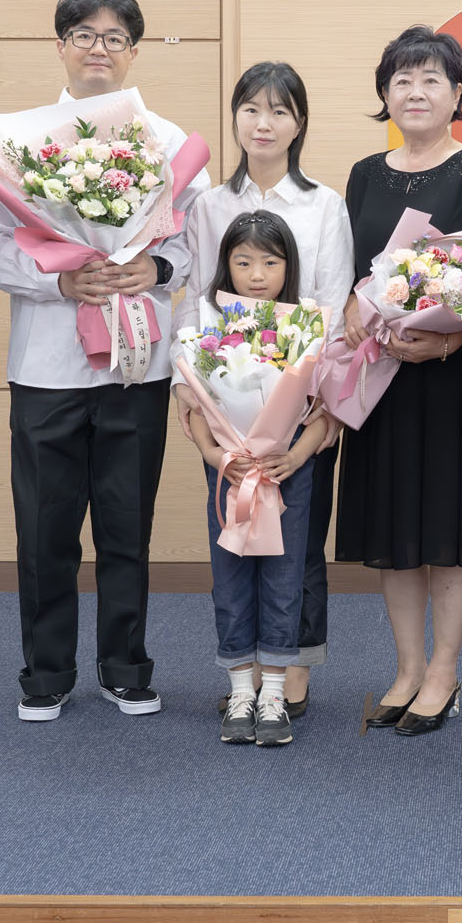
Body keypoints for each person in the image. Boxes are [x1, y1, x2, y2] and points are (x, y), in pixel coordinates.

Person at [0, 0, 209, 724]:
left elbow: (195, 243)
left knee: (126, 523)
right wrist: (61, 280)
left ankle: (125, 667)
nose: (98, 48)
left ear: (134, 51)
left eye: (113, 37)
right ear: (61, 46)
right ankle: (45, 672)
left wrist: (155, 268)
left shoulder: (167, 144)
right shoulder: (18, 145)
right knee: (45, 528)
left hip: (136, 363)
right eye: (83, 34)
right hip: (46, 364)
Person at [335, 26, 462, 736]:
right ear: (384, 94)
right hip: (381, 374)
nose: (415, 92)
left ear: (458, 94)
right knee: (394, 522)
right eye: (402, 80)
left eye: (431, 79)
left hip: (454, 374)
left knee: (451, 521)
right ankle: (407, 668)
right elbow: (353, 270)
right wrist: (353, 310)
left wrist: (449, 338)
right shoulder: (363, 174)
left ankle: (444, 670)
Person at [175, 62, 353, 719]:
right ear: (236, 118)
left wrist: (317, 408)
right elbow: (196, 302)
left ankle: (291, 665)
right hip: (226, 414)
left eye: (279, 111)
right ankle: (245, 674)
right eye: (251, 108)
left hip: (301, 410)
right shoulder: (208, 206)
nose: (264, 123)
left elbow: (333, 307)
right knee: (235, 541)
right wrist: (191, 391)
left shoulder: (325, 204)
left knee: (298, 545)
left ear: (299, 123)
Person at [183, 211, 330, 747]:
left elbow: (325, 412)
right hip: (231, 474)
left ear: (289, 266)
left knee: (285, 581)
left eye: (270, 262)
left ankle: (274, 695)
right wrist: (215, 453)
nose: (257, 274)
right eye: (243, 262)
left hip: (288, 475)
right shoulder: (207, 323)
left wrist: (296, 455)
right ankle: (240, 691)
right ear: (226, 266)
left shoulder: (308, 326)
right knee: (231, 580)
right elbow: (193, 403)